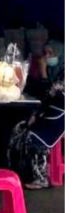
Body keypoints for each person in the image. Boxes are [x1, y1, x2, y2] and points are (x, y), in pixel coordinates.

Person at [8, 40, 65, 189]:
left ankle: (41, 178)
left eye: (51, 53)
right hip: (51, 109)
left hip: (62, 113)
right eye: (45, 53)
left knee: (33, 136)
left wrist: (44, 71)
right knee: (20, 130)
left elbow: (52, 93)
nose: (47, 57)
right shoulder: (57, 71)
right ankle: (20, 172)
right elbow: (44, 93)